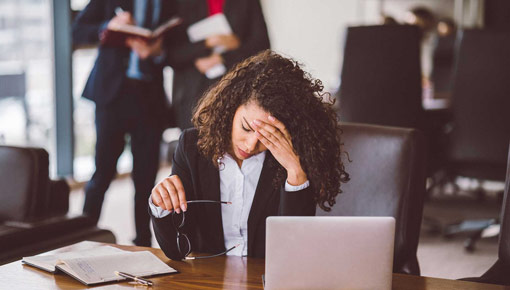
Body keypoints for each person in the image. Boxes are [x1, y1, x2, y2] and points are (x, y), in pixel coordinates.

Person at [149, 50, 350, 260]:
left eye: (267, 135)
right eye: (246, 127)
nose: (252, 144)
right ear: (231, 107)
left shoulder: (291, 157)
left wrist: (295, 172)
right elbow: (176, 250)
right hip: (210, 278)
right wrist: (161, 205)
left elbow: (293, 254)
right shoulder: (192, 147)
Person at [72, 0, 178, 246]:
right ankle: (83, 236)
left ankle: (143, 242)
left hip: (148, 98)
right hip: (112, 95)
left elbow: (176, 45)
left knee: (146, 178)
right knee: (103, 171)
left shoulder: (169, 3)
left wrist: (158, 51)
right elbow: (78, 31)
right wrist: (108, 25)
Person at [165, 0, 270, 130]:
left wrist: (223, 57)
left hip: (237, 90)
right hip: (193, 97)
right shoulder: (179, 3)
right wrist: (206, 43)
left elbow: (262, 47)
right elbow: (171, 54)